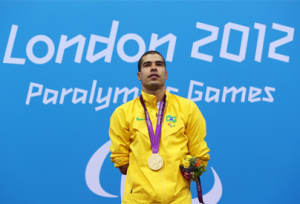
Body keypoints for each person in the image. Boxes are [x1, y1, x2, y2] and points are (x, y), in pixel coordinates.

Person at [109, 51, 210, 204]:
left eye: (159, 64)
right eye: (147, 65)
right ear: (139, 75)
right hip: (137, 200)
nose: (153, 68)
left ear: (166, 74)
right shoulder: (122, 113)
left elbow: (199, 156)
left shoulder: (188, 108)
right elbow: (123, 165)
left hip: (179, 200)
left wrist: (191, 169)